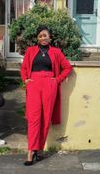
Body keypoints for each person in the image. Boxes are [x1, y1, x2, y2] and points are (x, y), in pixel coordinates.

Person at [20, 25, 72, 166]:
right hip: (34, 84)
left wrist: (57, 80)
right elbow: (24, 68)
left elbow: (67, 67)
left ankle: (40, 149)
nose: (43, 38)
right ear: (37, 38)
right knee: (33, 118)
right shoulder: (30, 51)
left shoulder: (56, 52)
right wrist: (26, 80)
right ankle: (31, 152)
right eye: (40, 36)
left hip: (50, 85)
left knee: (46, 118)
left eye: (45, 35)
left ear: (50, 37)